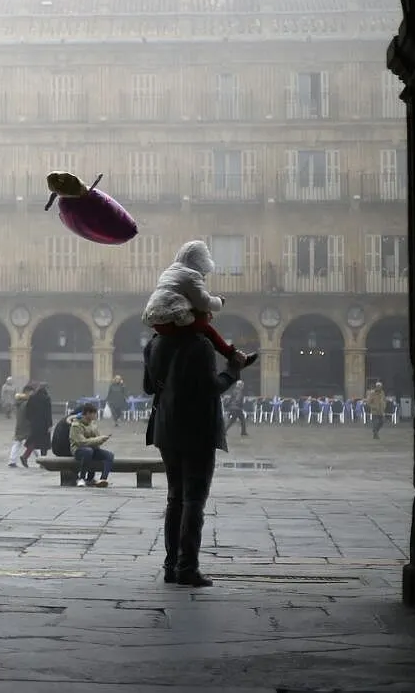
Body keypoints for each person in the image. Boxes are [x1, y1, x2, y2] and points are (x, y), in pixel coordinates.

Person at [143, 323, 242, 587]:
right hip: (196, 429)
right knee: (193, 499)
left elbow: (148, 387)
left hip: (165, 428)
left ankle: (170, 565)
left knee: (174, 497)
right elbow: (210, 388)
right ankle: (187, 567)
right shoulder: (200, 344)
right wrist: (233, 370)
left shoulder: (155, 341)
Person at [142, 241, 257, 370]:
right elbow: (204, 302)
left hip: (156, 321)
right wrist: (219, 301)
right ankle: (233, 356)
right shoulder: (192, 275)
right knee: (207, 329)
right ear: (200, 261)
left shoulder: (168, 273)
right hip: (174, 322)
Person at [69, 402, 115, 486]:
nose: (95, 416)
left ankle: (103, 479)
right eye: (94, 414)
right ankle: (81, 478)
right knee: (88, 451)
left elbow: (97, 439)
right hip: (78, 450)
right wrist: (98, 439)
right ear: (87, 413)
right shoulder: (76, 425)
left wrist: (102, 439)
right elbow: (81, 442)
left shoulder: (93, 424)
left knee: (109, 455)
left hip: (92, 449)